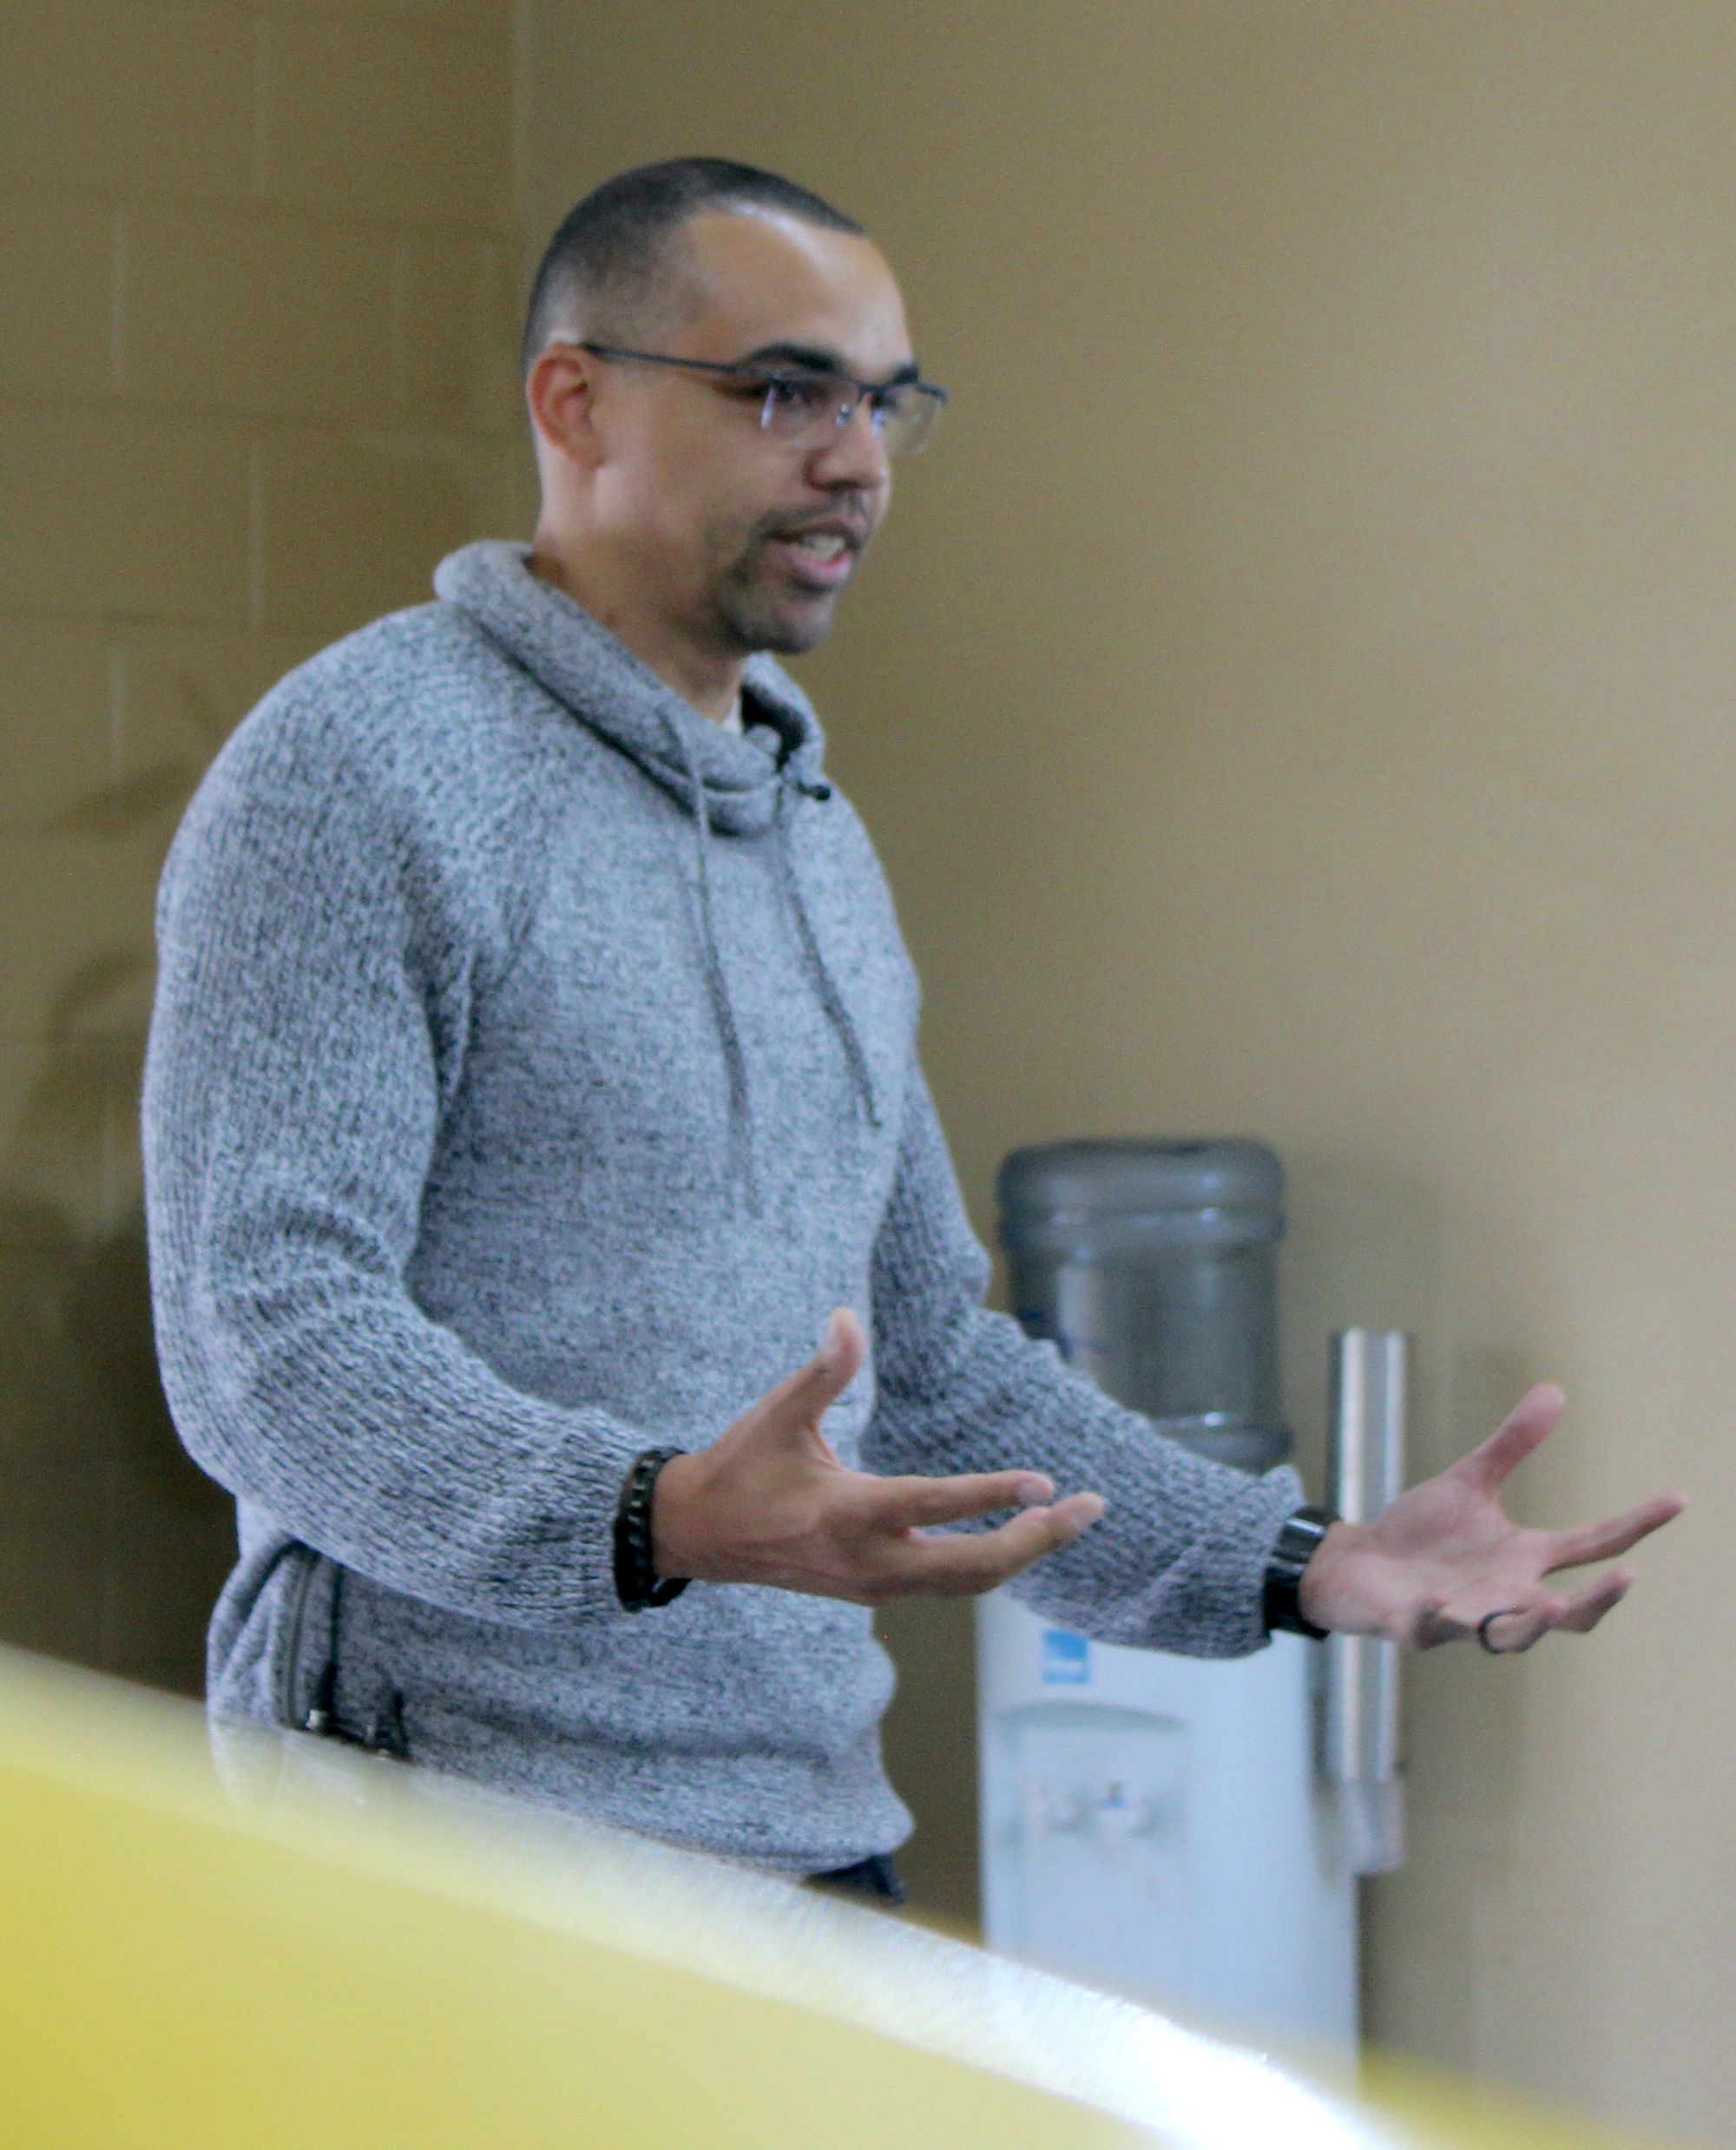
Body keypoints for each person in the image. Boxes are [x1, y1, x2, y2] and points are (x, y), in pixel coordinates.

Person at [142, 159, 1681, 1894]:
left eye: (884, 403)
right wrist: (649, 1514)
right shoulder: (355, 770)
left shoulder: (809, 830)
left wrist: (1297, 1565)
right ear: (573, 401)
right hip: (445, 1863)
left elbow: (931, 1367)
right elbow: (265, 1338)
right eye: (784, 390)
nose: (856, 460)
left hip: (806, 1850)